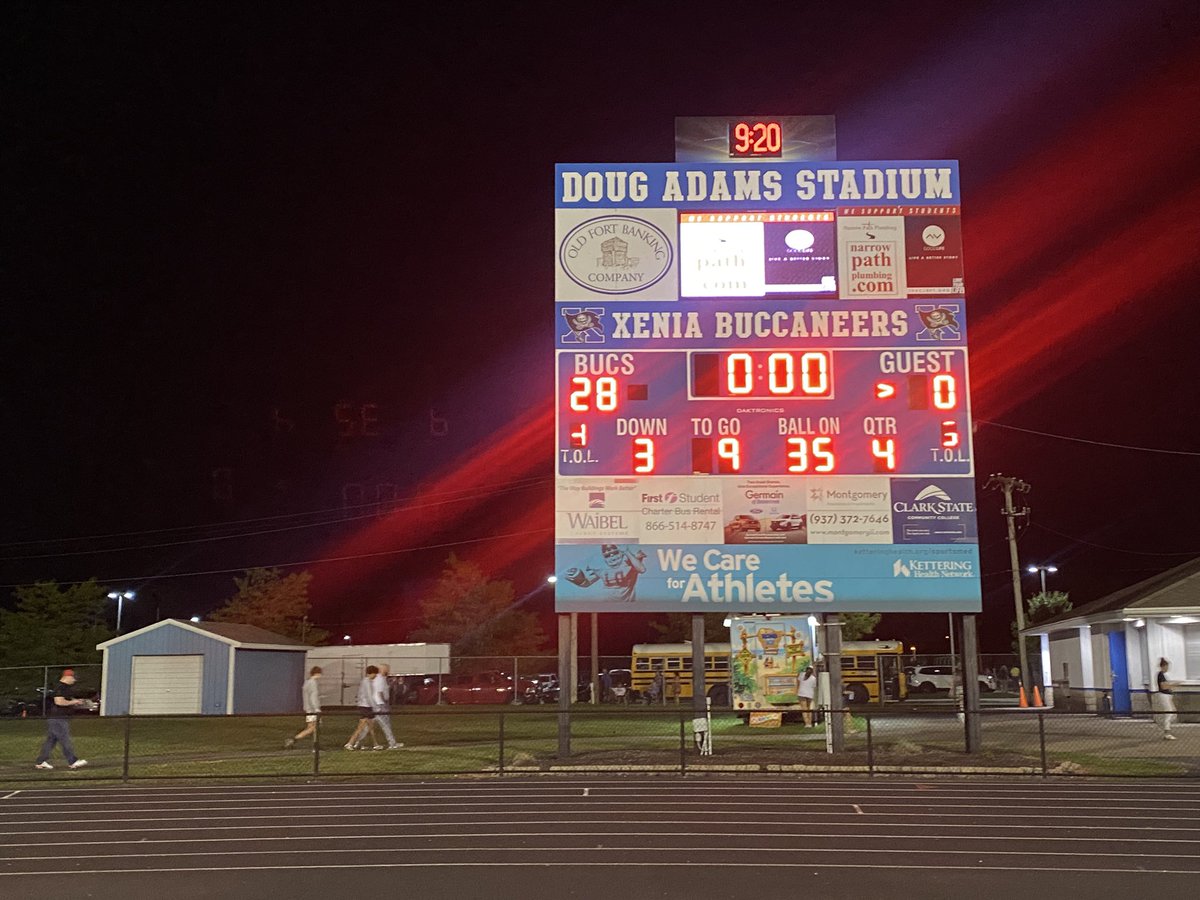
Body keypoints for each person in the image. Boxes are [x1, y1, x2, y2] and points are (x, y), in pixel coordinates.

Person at [34, 669, 88, 770]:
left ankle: (41, 761)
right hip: (58, 718)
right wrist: (74, 702)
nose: (74, 680)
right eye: (73, 678)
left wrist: (75, 701)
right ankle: (73, 761)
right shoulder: (61, 687)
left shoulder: (64, 688)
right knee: (64, 739)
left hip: (56, 717)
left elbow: (64, 701)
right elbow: (59, 702)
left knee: (51, 740)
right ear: (67, 677)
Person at [345, 665, 383, 750]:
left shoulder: (368, 681)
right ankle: (350, 743)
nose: (376, 676)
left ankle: (375, 744)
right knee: (361, 727)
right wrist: (375, 707)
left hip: (367, 706)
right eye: (375, 674)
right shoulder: (366, 682)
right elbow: (369, 696)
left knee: (371, 727)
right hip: (365, 707)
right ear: (371, 673)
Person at [285, 666, 322, 749]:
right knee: (314, 728)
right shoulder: (313, 683)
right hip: (312, 709)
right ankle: (294, 739)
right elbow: (313, 696)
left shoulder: (307, 683)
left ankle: (315, 746)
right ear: (317, 673)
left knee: (312, 728)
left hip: (307, 708)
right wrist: (316, 708)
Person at [373, 664, 403, 750]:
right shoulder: (379, 679)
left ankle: (355, 743)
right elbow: (380, 692)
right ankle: (392, 743)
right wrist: (385, 702)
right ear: (381, 670)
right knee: (385, 724)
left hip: (378, 704)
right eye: (386, 669)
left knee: (368, 725)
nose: (388, 670)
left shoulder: (381, 678)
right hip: (380, 704)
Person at [1155, 657, 1177, 741]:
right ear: (1163, 666)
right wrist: (1174, 685)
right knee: (1169, 713)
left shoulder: (1164, 675)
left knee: (1173, 713)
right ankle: (1167, 732)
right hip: (1164, 695)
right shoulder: (1160, 674)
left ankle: (1165, 726)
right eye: (1167, 666)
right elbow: (1163, 686)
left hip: (1167, 695)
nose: (1168, 668)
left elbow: (1166, 685)